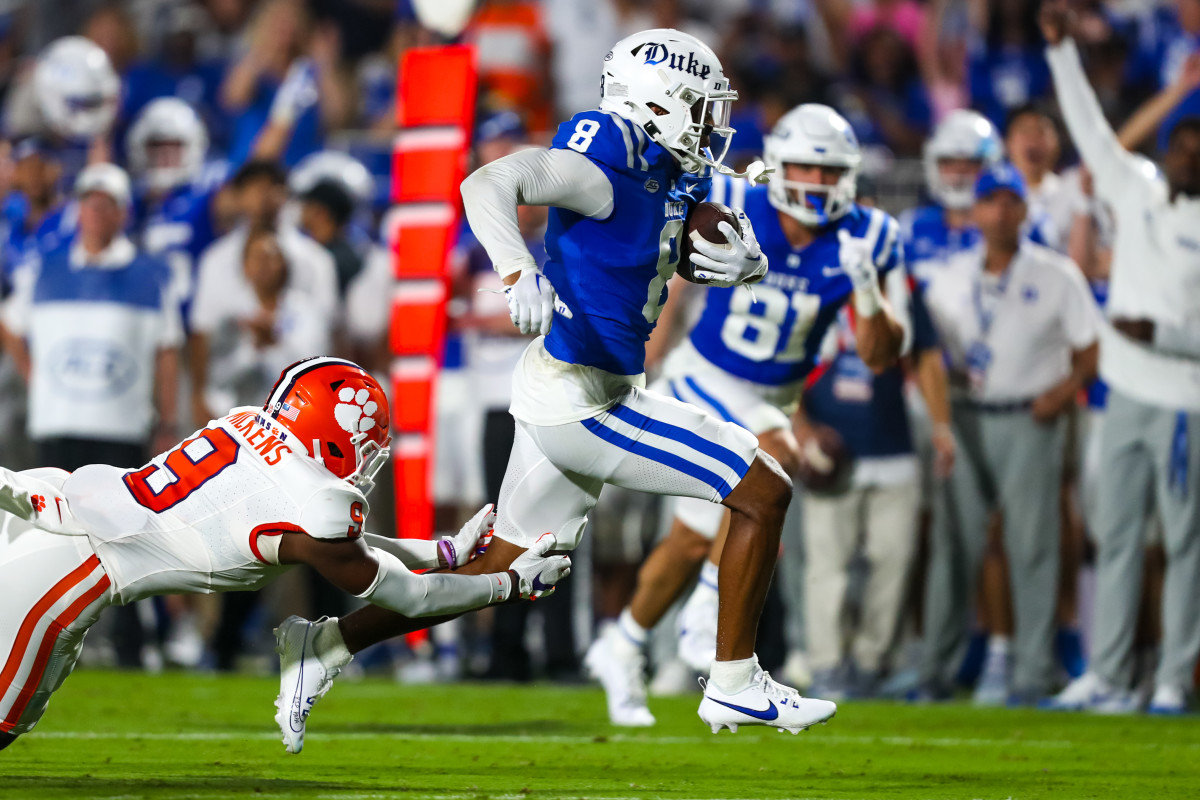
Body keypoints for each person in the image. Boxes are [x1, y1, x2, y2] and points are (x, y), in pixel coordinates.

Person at [278, 29, 841, 740]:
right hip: (584, 397)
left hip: (575, 386)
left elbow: (653, 244)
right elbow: (488, 182)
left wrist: (729, 261)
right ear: (656, 103)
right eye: (699, 107)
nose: (710, 124)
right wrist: (516, 269)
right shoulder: (603, 162)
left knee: (498, 566)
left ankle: (325, 644)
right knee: (762, 489)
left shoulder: (670, 168)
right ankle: (732, 680)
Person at [0, 356, 571, 755]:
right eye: (362, 445)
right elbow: (410, 594)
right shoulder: (313, 498)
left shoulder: (250, 427)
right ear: (330, 435)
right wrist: (509, 585)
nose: (365, 461)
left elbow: (334, 548)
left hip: (67, 500)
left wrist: (441, 549)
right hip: (68, 567)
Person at [584, 103, 909, 725]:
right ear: (780, 166)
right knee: (773, 463)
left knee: (690, 538)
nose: (815, 184)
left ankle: (620, 643)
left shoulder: (869, 238)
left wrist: (869, 294)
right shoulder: (734, 196)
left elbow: (879, 354)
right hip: (704, 376)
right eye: (805, 170)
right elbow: (660, 215)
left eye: (829, 172)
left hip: (774, 395)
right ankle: (707, 618)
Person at [1040, 1, 1200, 715]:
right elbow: (1088, 127)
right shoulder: (1132, 188)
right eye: (1182, 144)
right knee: (1115, 536)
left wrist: (1158, 335)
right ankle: (1108, 676)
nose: (1189, 155)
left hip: (1185, 398)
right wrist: (1060, 53)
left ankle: (1171, 678)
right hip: (1124, 392)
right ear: (1165, 148)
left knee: (1186, 544)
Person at [920, 161, 1100, 704]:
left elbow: (1090, 350)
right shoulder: (950, 275)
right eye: (990, 201)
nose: (1000, 211)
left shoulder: (1056, 272)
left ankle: (1032, 671)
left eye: (1010, 201)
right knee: (954, 546)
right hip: (967, 416)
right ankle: (936, 669)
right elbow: (928, 353)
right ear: (975, 210)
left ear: (1024, 209)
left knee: (1034, 547)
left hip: (1030, 418)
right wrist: (941, 417)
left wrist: (1062, 395)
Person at [190, 159, 337, 422]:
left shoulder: (316, 260)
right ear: (238, 196)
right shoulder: (215, 258)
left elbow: (329, 333)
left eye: (272, 187)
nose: (262, 196)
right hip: (232, 400)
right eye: (253, 188)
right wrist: (199, 395)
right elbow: (203, 332)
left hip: (299, 402)